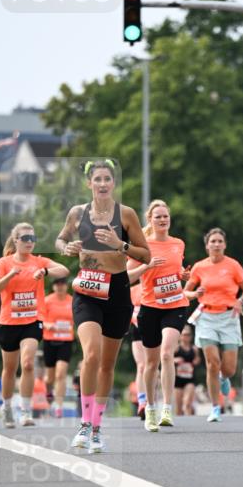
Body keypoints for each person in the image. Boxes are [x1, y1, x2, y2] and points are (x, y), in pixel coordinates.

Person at [55, 159, 150, 452]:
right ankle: (84, 424)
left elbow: (145, 255)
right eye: (97, 179)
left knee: (107, 364)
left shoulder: (127, 215)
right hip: (87, 290)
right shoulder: (77, 213)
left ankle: (97, 427)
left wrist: (119, 244)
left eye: (107, 178)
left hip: (118, 292)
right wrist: (67, 248)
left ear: (113, 183)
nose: (103, 184)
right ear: (89, 184)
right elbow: (60, 239)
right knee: (91, 354)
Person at [0, 222, 69, 428]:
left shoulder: (39, 261)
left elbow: (64, 269)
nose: (30, 242)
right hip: (8, 322)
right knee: (9, 368)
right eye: (25, 239)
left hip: (33, 320)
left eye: (32, 239)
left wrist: (45, 273)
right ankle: (7, 408)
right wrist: (9, 275)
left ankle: (25, 410)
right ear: (16, 241)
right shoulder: (4, 263)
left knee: (28, 363)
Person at [127, 200, 190, 431]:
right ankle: (150, 408)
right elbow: (127, 275)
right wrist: (147, 265)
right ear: (150, 220)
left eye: (165, 216)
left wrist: (182, 275)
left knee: (166, 354)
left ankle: (167, 408)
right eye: (158, 217)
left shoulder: (178, 244)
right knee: (150, 363)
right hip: (150, 307)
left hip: (175, 304)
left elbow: (175, 271)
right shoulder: (142, 246)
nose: (163, 220)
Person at [184, 227, 243, 423]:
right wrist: (194, 294)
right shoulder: (199, 267)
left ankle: (224, 378)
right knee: (212, 363)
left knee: (229, 368)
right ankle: (215, 408)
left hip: (229, 317)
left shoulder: (233, 266)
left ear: (225, 245)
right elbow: (185, 292)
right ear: (207, 246)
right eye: (212, 241)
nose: (216, 244)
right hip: (206, 317)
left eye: (219, 241)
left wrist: (241, 301)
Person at [42, 277, 74, 418]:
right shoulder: (47, 300)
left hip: (66, 340)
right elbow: (40, 317)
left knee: (61, 374)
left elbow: (79, 316)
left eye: (62, 284)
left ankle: (59, 406)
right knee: (50, 377)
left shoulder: (72, 301)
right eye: (57, 284)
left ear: (66, 286)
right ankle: (48, 392)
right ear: (53, 286)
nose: (60, 287)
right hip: (50, 340)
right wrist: (47, 325)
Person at [128, 275, 146, 420]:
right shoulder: (132, 290)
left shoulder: (155, 289)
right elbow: (126, 310)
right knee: (141, 366)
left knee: (152, 368)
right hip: (137, 331)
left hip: (155, 331)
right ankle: (142, 401)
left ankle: (152, 401)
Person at [174, 325, 200, 416]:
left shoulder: (194, 349)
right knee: (178, 407)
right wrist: (175, 360)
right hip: (177, 380)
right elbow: (166, 360)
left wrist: (195, 362)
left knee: (187, 403)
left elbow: (197, 360)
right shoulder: (176, 348)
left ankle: (189, 423)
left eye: (188, 335)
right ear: (180, 336)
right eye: (184, 334)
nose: (186, 337)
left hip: (190, 379)